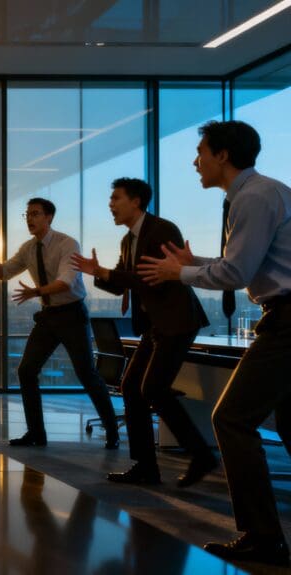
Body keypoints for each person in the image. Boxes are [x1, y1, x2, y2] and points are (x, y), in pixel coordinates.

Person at [138, 120, 291, 566]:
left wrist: (179, 273)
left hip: (286, 322)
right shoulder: (255, 194)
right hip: (282, 315)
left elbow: (237, 274)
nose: (195, 160)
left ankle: (263, 536)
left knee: (231, 419)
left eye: (201, 151)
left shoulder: (255, 197)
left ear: (222, 155)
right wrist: (195, 262)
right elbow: (241, 263)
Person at [72, 178, 213, 487]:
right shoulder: (128, 240)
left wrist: (106, 271)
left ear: (136, 201)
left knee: (152, 389)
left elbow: (153, 278)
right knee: (132, 387)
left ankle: (201, 453)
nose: (110, 204)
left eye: (116, 198)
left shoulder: (162, 230)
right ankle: (146, 467)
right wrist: (98, 272)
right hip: (154, 326)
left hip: (176, 322)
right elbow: (123, 282)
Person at [0, 198, 119, 449]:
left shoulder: (67, 244)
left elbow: (66, 282)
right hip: (48, 316)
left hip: (71, 314)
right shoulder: (28, 248)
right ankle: (36, 433)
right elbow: (3, 273)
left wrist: (36, 291)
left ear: (49, 217)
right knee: (26, 371)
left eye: (35, 214)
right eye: (27, 214)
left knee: (86, 374)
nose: (29, 219)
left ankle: (112, 431)